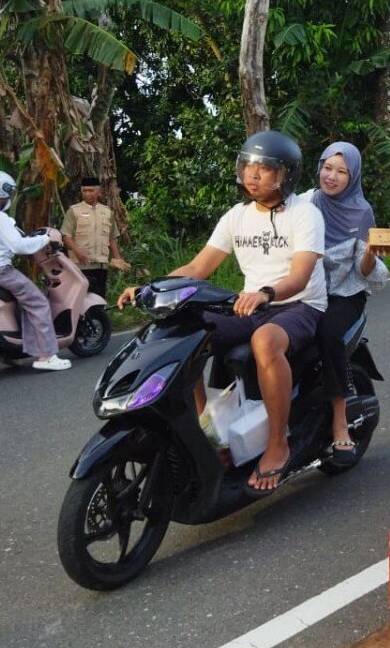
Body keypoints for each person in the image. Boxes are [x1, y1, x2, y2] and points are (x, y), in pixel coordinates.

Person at [118, 131, 327, 496]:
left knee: (265, 341)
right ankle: (208, 427)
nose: (253, 175)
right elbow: (198, 268)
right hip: (251, 303)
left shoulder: (304, 213)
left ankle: (278, 442)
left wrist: (265, 293)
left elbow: (300, 276)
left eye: (265, 168)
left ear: (286, 174)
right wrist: (151, 287)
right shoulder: (236, 216)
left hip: (299, 304)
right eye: (248, 166)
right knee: (188, 329)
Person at [303, 142, 390, 467]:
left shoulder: (361, 212)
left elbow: (363, 271)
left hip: (347, 292)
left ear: (352, 177)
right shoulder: (309, 202)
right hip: (310, 289)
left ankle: (340, 422)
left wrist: (370, 253)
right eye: (328, 168)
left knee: (328, 333)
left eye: (341, 171)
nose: (332, 176)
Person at [0, 171, 72, 372]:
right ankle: (47, 356)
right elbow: (19, 246)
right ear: (1, 193)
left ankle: (10, 351)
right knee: (38, 302)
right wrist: (46, 239)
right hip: (0, 272)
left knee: (12, 305)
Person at [60, 176, 129, 298]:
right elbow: (66, 236)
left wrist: (117, 259)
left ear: (99, 192)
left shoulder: (107, 212)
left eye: (91, 190)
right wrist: (78, 252)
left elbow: (112, 237)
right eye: (84, 191)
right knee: (81, 299)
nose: (87, 194)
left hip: (101, 266)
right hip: (80, 265)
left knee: (99, 299)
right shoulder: (74, 211)